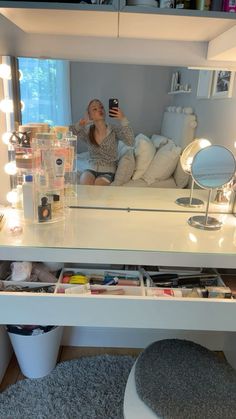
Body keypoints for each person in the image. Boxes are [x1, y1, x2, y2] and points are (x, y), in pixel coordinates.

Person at [71, 99, 134, 185]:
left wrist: (123, 119)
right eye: (94, 109)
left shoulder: (114, 129)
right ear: (89, 115)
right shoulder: (87, 131)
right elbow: (66, 133)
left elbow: (130, 142)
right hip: (90, 168)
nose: (99, 109)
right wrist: (80, 124)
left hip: (108, 171)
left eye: (101, 107)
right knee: (84, 185)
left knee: (98, 185)